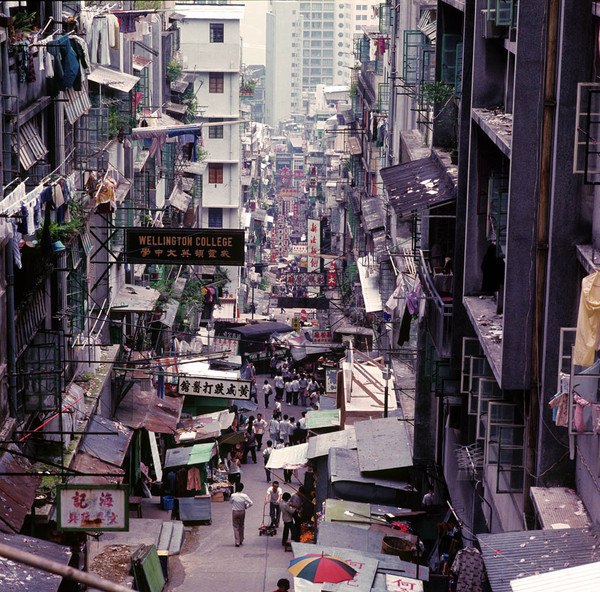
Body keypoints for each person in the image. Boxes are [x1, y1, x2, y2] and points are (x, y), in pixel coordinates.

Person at [230, 483, 253, 547]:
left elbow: (231, 502)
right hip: (242, 512)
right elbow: (251, 503)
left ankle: (237, 541)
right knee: (241, 525)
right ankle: (241, 539)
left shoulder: (233, 495)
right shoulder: (244, 495)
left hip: (235, 512)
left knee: (235, 526)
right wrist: (246, 506)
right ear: (242, 488)